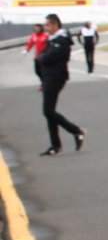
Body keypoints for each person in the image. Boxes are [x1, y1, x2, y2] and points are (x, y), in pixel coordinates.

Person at [36, 15, 84, 156]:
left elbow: (46, 58)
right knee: (50, 112)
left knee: (48, 111)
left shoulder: (61, 41)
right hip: (49, 77)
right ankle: (56, 146)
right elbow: (42, 57)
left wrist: (43, 58)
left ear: (55, 25)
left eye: (48, 25)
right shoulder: (53, 40)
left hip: (56, 77)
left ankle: (76, 130)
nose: (46, 28)